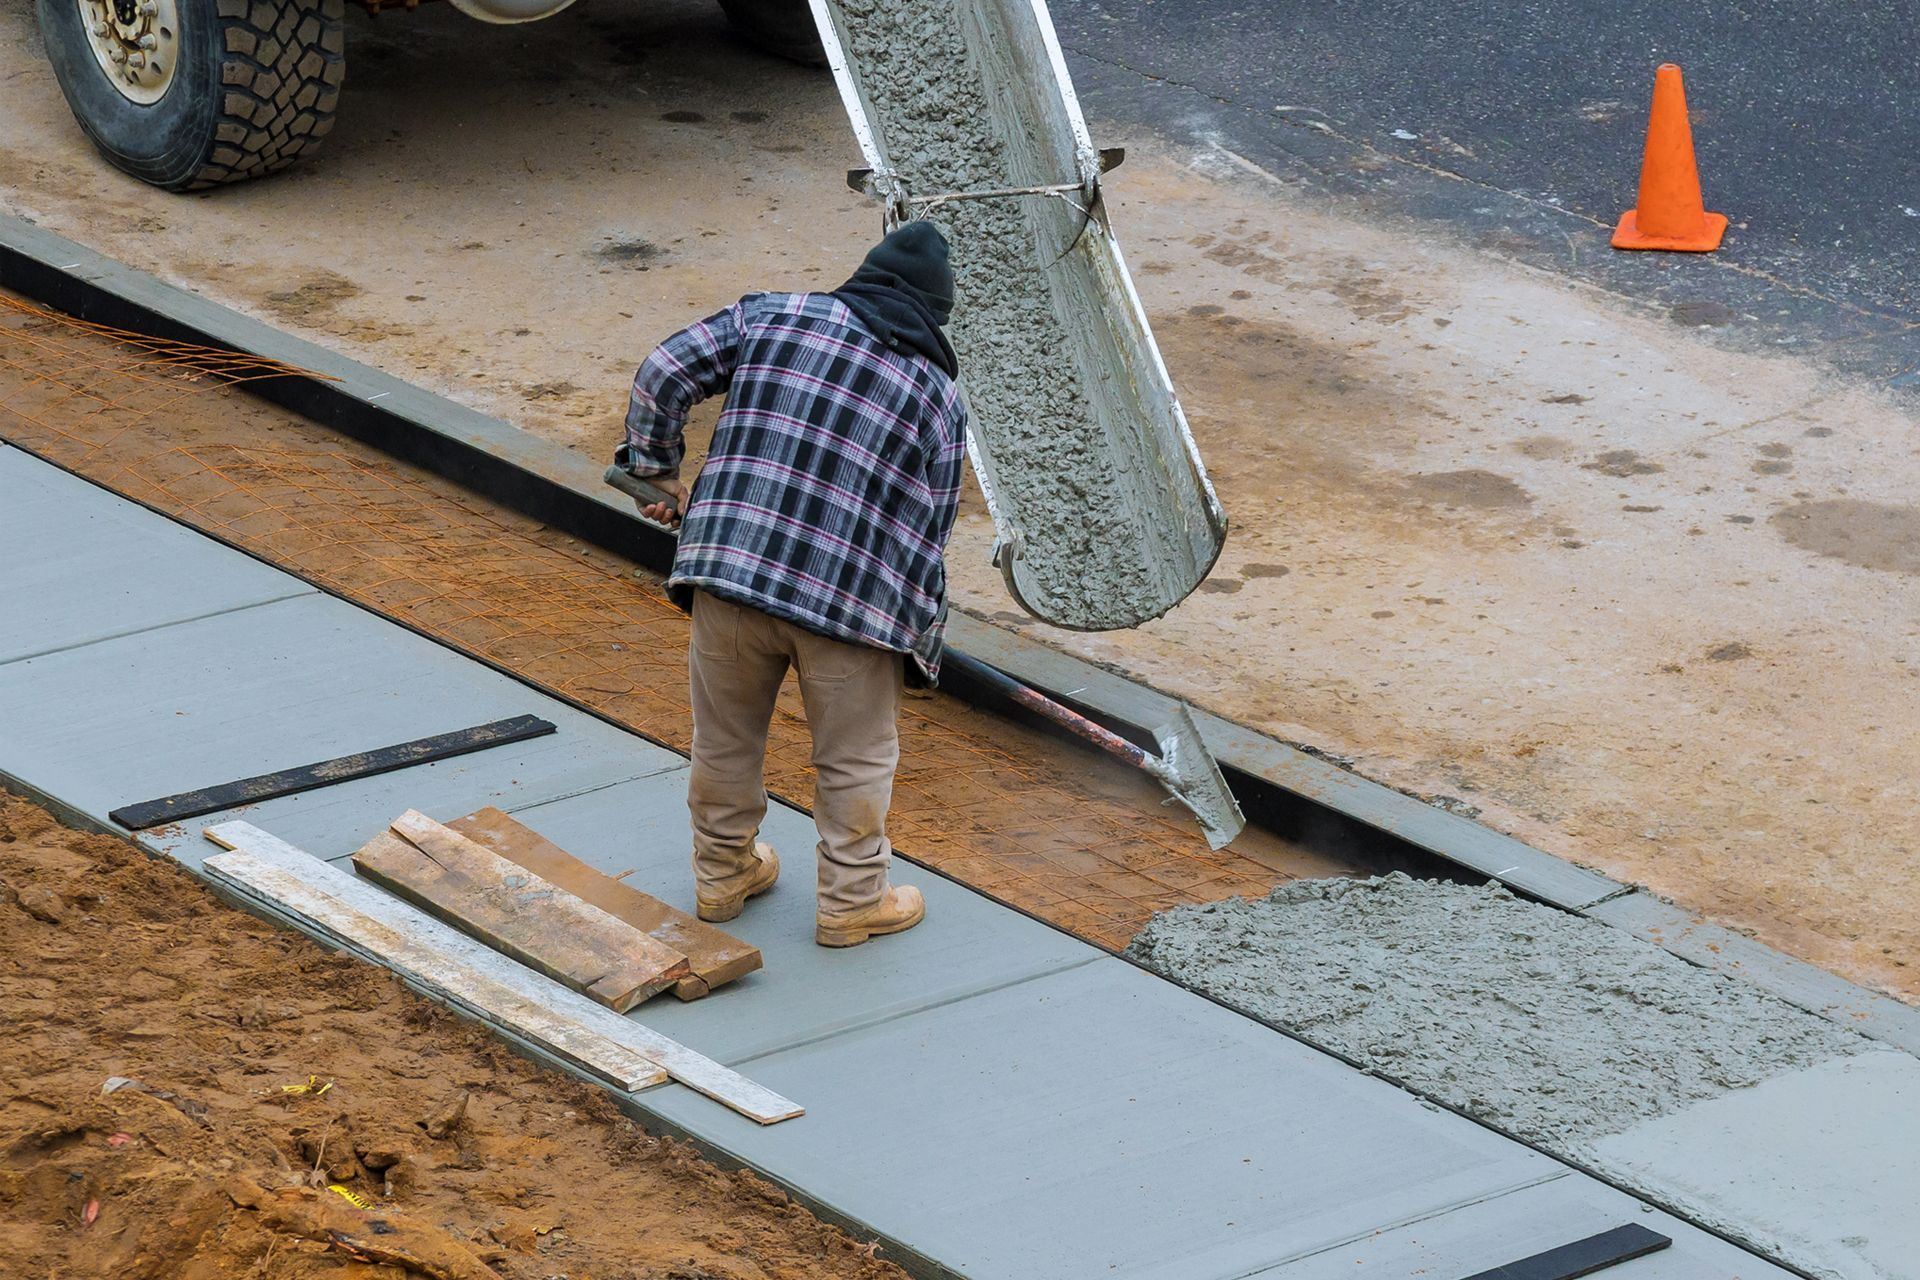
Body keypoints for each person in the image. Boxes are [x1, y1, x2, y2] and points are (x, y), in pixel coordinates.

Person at [613, 221, 966, 947]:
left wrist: (653, 469)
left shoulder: (770, 315)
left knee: (725, 740)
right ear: (934, 316)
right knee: (854, 759)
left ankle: (721, 877)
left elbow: (664, 369)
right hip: (850, 610)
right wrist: (918, 646)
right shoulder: (937, 397)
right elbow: (929, 534)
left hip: (728, 574)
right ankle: (852, 901)